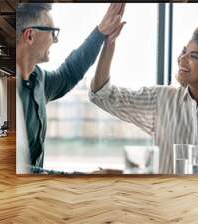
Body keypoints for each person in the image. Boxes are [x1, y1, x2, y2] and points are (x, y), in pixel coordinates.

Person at [89, 25, 198, 174]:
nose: (182, 59)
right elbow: (101, 94)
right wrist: (110, 43)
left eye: (193, 56)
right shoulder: (161, 99)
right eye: (184, 52)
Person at [16, 3, 126, 171]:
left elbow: (69, 73)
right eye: (52, 32)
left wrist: (100, 33)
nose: (56, 39)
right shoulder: (11, 95)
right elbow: (19, 169)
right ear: (30, 36)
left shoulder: (38, 79)